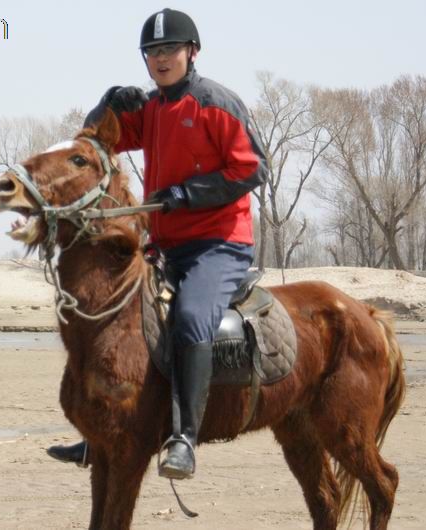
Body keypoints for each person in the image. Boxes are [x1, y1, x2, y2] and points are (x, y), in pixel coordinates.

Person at [46, 7, 268, 480]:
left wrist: (188, 194)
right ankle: (101, 432)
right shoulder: (149, 109)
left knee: (190, 318)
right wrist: (108, 101)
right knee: (114, 324)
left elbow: (252, 168)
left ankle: (184, 438)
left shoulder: (217, 103)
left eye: (169, 49)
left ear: (193, 52)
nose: (161, 58)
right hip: (164, 245)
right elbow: (93, 143)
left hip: (219, 245)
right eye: (152, 51)